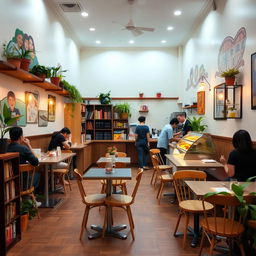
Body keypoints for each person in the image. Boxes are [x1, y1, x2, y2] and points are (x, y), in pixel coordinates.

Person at [7, 127, 41, 206]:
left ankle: (25, 201)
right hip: (22, 183)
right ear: (20, 137)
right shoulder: (23, 149)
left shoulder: (5, 148)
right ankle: (29, 201)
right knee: (37, 175)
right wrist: (28, 144)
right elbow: (36, 162)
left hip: (8, 182)